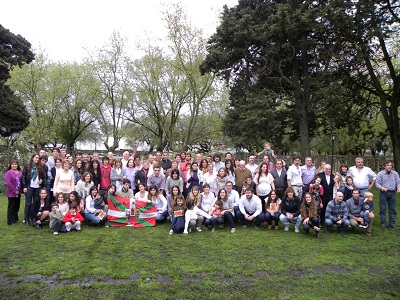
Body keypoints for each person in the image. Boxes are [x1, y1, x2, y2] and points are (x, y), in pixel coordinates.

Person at [375, 160, 400, 229]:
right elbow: (377, 183)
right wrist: (381, 187)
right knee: (382, 208)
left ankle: (392, 224)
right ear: (384, 166)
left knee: (392, 209)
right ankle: (383, 223)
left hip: (392, 193)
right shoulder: (380, 174)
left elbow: (398, 182)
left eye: (390, 165)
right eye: (388, 165)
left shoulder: (395, 173)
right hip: (383, 193)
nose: (389, 167)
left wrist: (398, 188)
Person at [22, 154, 46, 225]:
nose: (37, 159)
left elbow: (44, 177)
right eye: (36, 157)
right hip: (29, 187)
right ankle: (26, 219)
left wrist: (42, 181)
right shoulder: (27, 166)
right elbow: (23, 177)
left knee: (36, 204)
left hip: (37, 188)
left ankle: (33, 218)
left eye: (38, 158)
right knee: (28, 203)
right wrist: (24, 186)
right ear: (32, 158)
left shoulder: (40, 167)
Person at [4, 160, 23, 225]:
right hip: (11, 192)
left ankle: (15, 219)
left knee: (17, 206)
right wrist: (15, 191)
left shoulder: (20, 172)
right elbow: (8, 183)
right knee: (12, 206)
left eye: (15, 164)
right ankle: (10, 221)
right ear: (10, 165)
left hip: (19, 192)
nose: (14, 165)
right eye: (13, 164)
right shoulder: (8, 173)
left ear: (17, 165)